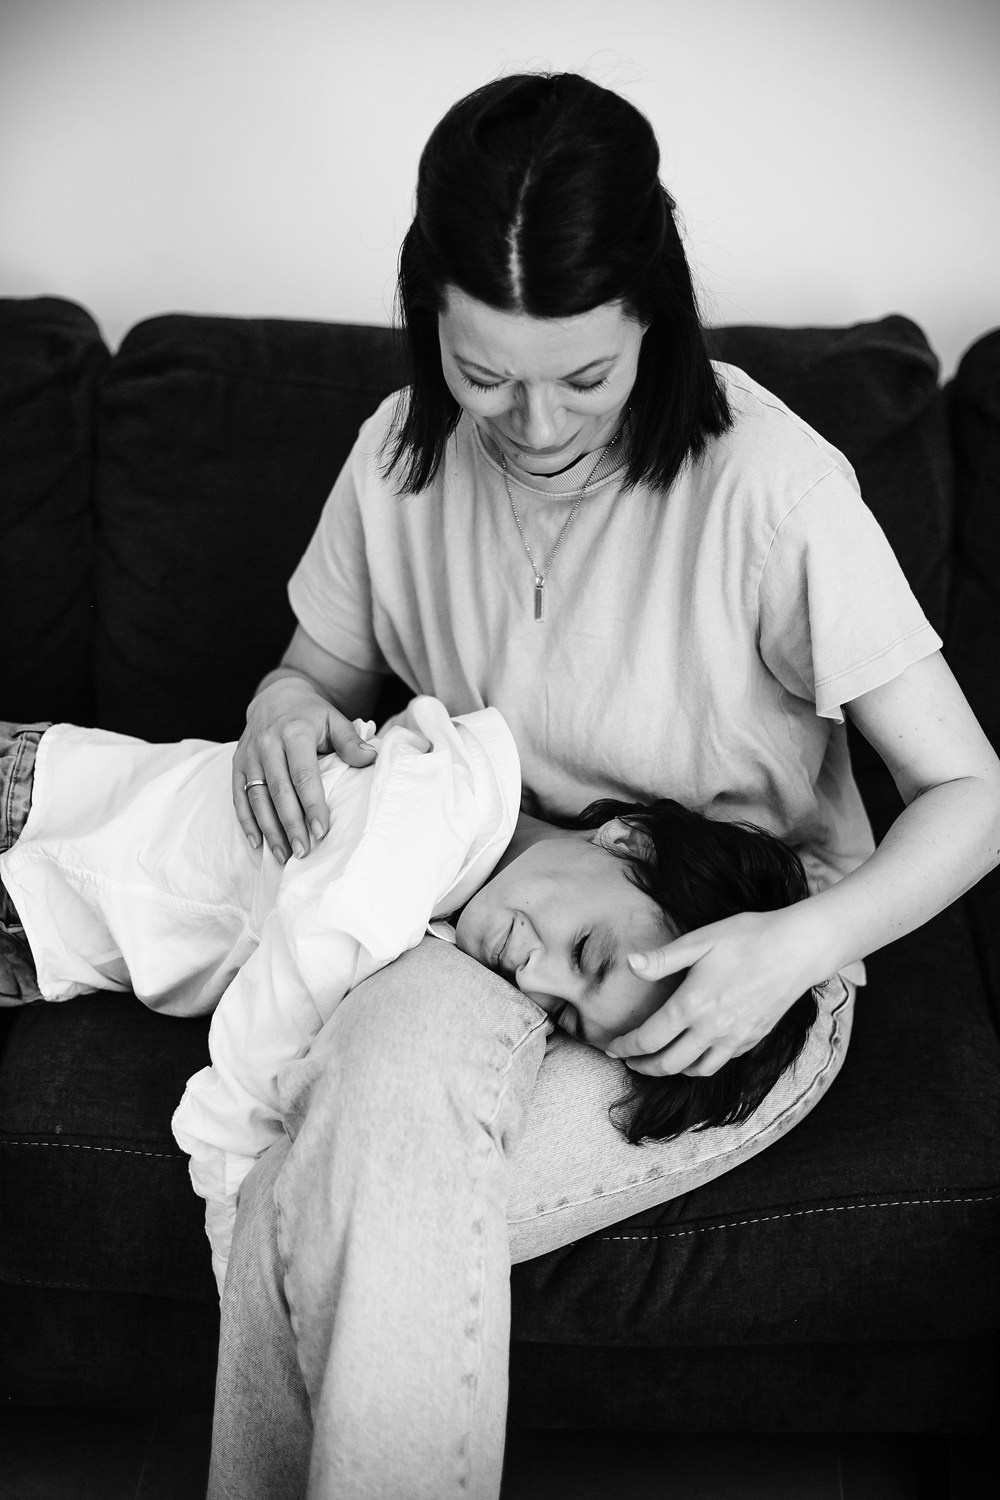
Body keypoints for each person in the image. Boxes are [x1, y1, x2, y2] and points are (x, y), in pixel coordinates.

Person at [212, 72, 1000, 1499]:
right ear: (427, 323)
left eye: (585, 375)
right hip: (485, 912)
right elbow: (307, 676)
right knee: (370, 1137)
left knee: (329, 1195)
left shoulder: (772, 489)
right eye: (482, 373)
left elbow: (972, 791)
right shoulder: (395, 462)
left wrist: (799, 949)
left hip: (719, 938)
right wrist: (279, 710)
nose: (535, 425)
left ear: (656, 315)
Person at [0, 701, 819, 1297]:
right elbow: (266, 1031)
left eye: (565, 1016)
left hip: (46, 939)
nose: (535, 981)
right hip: (35, 814)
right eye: (587, 953)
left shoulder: (463, 895)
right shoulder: (430, 814)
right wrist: (237, 1248)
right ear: (627, 839)